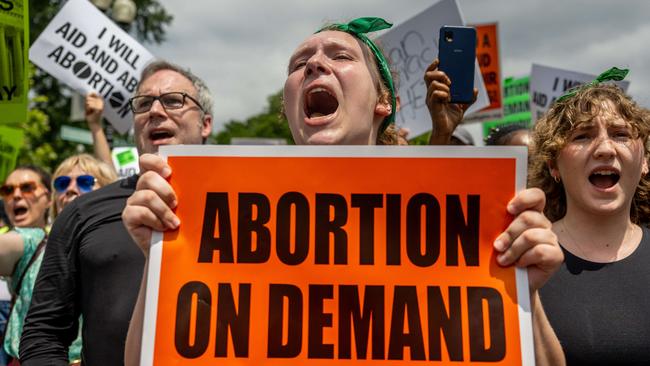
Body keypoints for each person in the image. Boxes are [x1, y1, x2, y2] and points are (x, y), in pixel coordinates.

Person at [123, 18, 564, 365]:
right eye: (300, 64)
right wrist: (161, 258)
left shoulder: (452, 227)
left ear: (382, 101)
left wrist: (524, 291)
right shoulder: (211, 214)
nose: (315, 65)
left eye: (340, 56)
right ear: (288, 106)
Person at [19, 61, 213, 366]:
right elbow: (43, 334)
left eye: (174, 100)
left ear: (205, 124)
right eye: (144, 103)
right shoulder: (83, 212)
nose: (156, 111)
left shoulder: (248, 206)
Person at [529, 70, 650, 364]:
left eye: (620, 134)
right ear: (553, 165)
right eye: (582, 136)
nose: (605, 149)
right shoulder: (525, 260)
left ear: (645, 160)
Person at [0, 166, 51, 365]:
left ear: (48, 198)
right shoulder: (24, 238)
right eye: (7, 190)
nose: (17, 195)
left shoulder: (61, 238)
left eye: (28, 187)